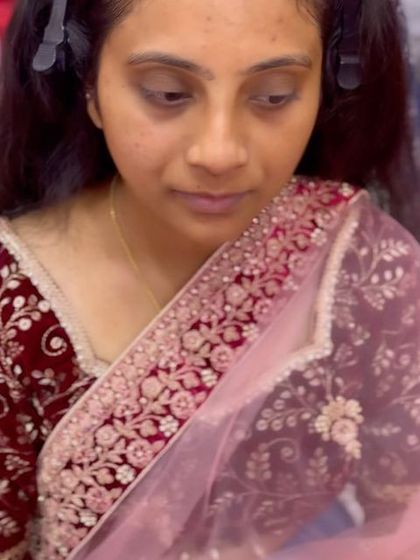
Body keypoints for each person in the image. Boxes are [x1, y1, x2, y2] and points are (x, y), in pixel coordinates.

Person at [0, 0, 419, 559]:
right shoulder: (15, 310)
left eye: (274, 96)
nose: (219, 153)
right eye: (168, 93)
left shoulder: (360, 260)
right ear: (88, 85)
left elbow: (405, 515)